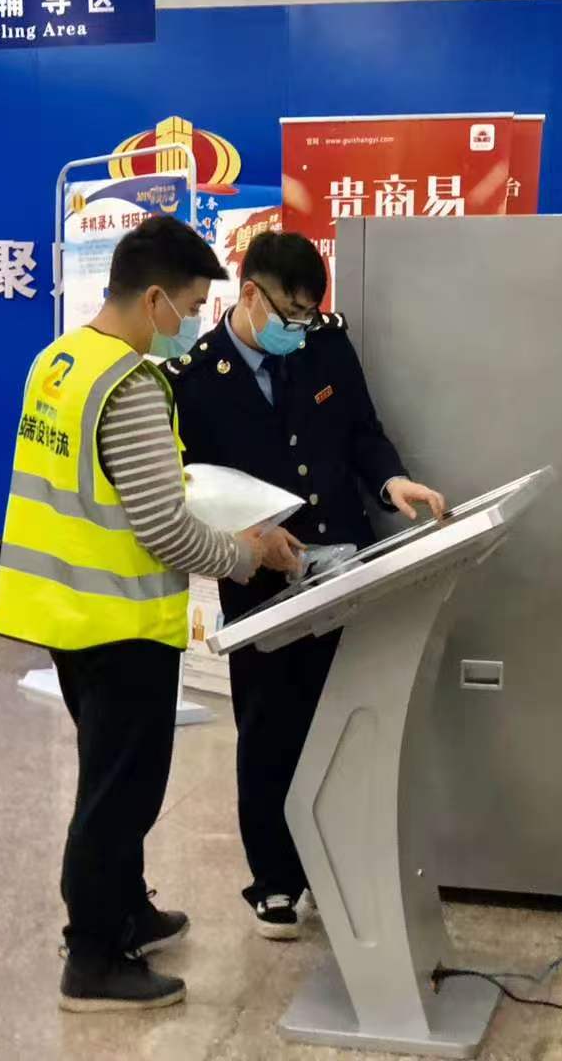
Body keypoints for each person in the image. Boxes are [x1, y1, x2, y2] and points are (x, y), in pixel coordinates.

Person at [0, 216, 297, 1013]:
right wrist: (249, 553)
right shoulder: (129, 386)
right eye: (190, 307)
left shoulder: (61, 360)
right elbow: (164, 529)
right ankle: (93, 957)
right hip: (120, 621)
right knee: (119, 795)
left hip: (64, 611)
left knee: (108, 773)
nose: (191, 323)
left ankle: (127, 909)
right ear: (155, 299)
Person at [166, 231, 446, 939]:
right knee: (270, 728)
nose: (299, 329)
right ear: (249, 295)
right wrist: (250, 542)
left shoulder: (326, 346)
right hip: (262, 578)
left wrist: (391, 480)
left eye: (308, 316)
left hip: (345, 565)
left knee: (346, 719)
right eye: (289, 315)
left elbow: (361, 433)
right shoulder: (194, 378)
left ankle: (337, 864)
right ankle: (275, 879)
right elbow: (192, 487)